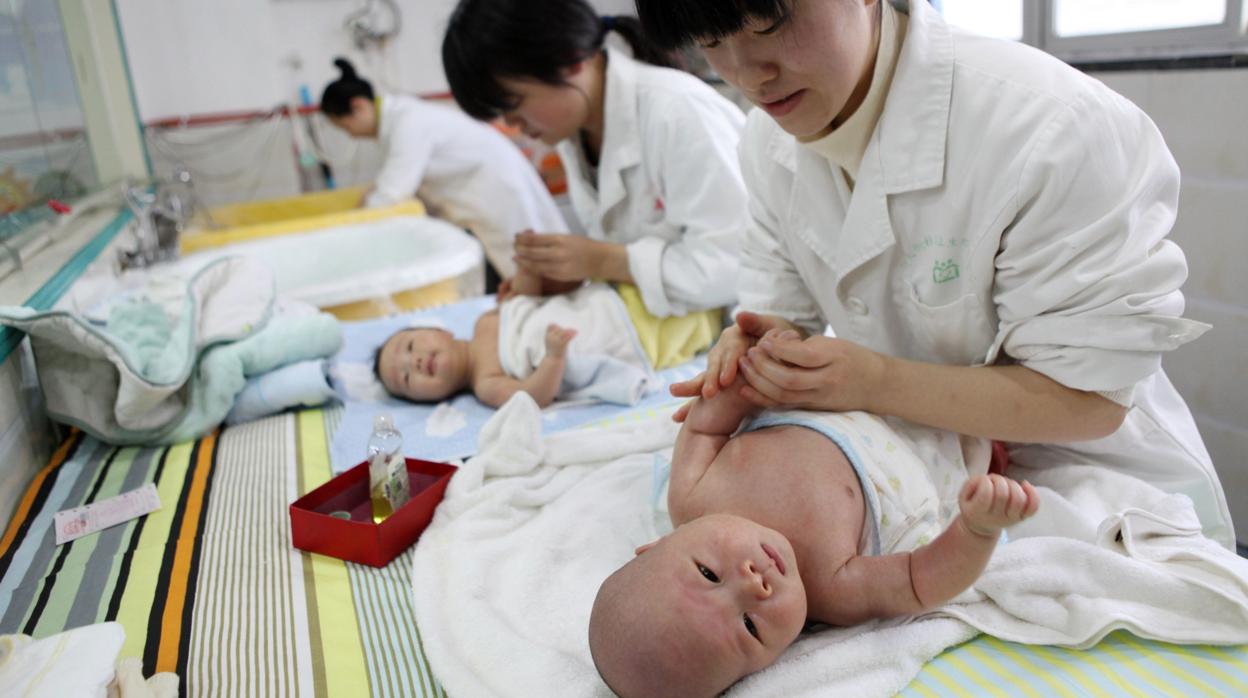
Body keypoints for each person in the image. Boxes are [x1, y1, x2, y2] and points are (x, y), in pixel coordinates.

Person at [634, 0, 1235, 546]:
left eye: (770, 25)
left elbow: (1089, 401)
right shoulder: (765, 142)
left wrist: (873, 382)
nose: (746, 75)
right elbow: (781, 314)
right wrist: (758, 346)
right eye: (710, 42)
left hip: (1083, 476)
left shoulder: (1053, 126)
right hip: (922, 471)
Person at [588, 358, 1040, 697]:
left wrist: (743, 375)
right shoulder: (832, 587)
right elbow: (921, 580)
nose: (753, 584)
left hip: (849, 380)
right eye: (750, 627)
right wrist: (977, 529)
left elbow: (706, 425)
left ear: (656, 544)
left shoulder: (691, 494)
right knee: (1017, 388)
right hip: (949, 429)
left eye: (708, 574)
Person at [441, 0, 748, 325]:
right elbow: (625, 245)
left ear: (569, 60)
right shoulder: (576, 132)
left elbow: (733, 265)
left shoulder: (679, 113)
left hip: (739, 328)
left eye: (514, 104)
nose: (511, 122)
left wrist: (604, 262)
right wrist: (565, 277)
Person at [320, 57, 568, 284]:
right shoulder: (400, 121)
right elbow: (392, 179)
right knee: (525, 274)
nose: (350, 134)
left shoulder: (408, 122)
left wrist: (351, 226)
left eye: (345, 126)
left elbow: (392, 192)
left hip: (500, 195)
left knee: (538, 272)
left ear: (359, 106)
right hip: (486, 200)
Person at [374, 284, 659, 408]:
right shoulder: (486, 383)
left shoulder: (484, 320)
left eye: (410, 346)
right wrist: (554, 359)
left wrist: (526, 272)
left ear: (440, 329)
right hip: (628, 337)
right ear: (429, 400)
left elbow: (527, 299)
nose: (414, 362)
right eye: (407, 379)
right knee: (696, 327)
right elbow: (535, 396)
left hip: (607, 301)